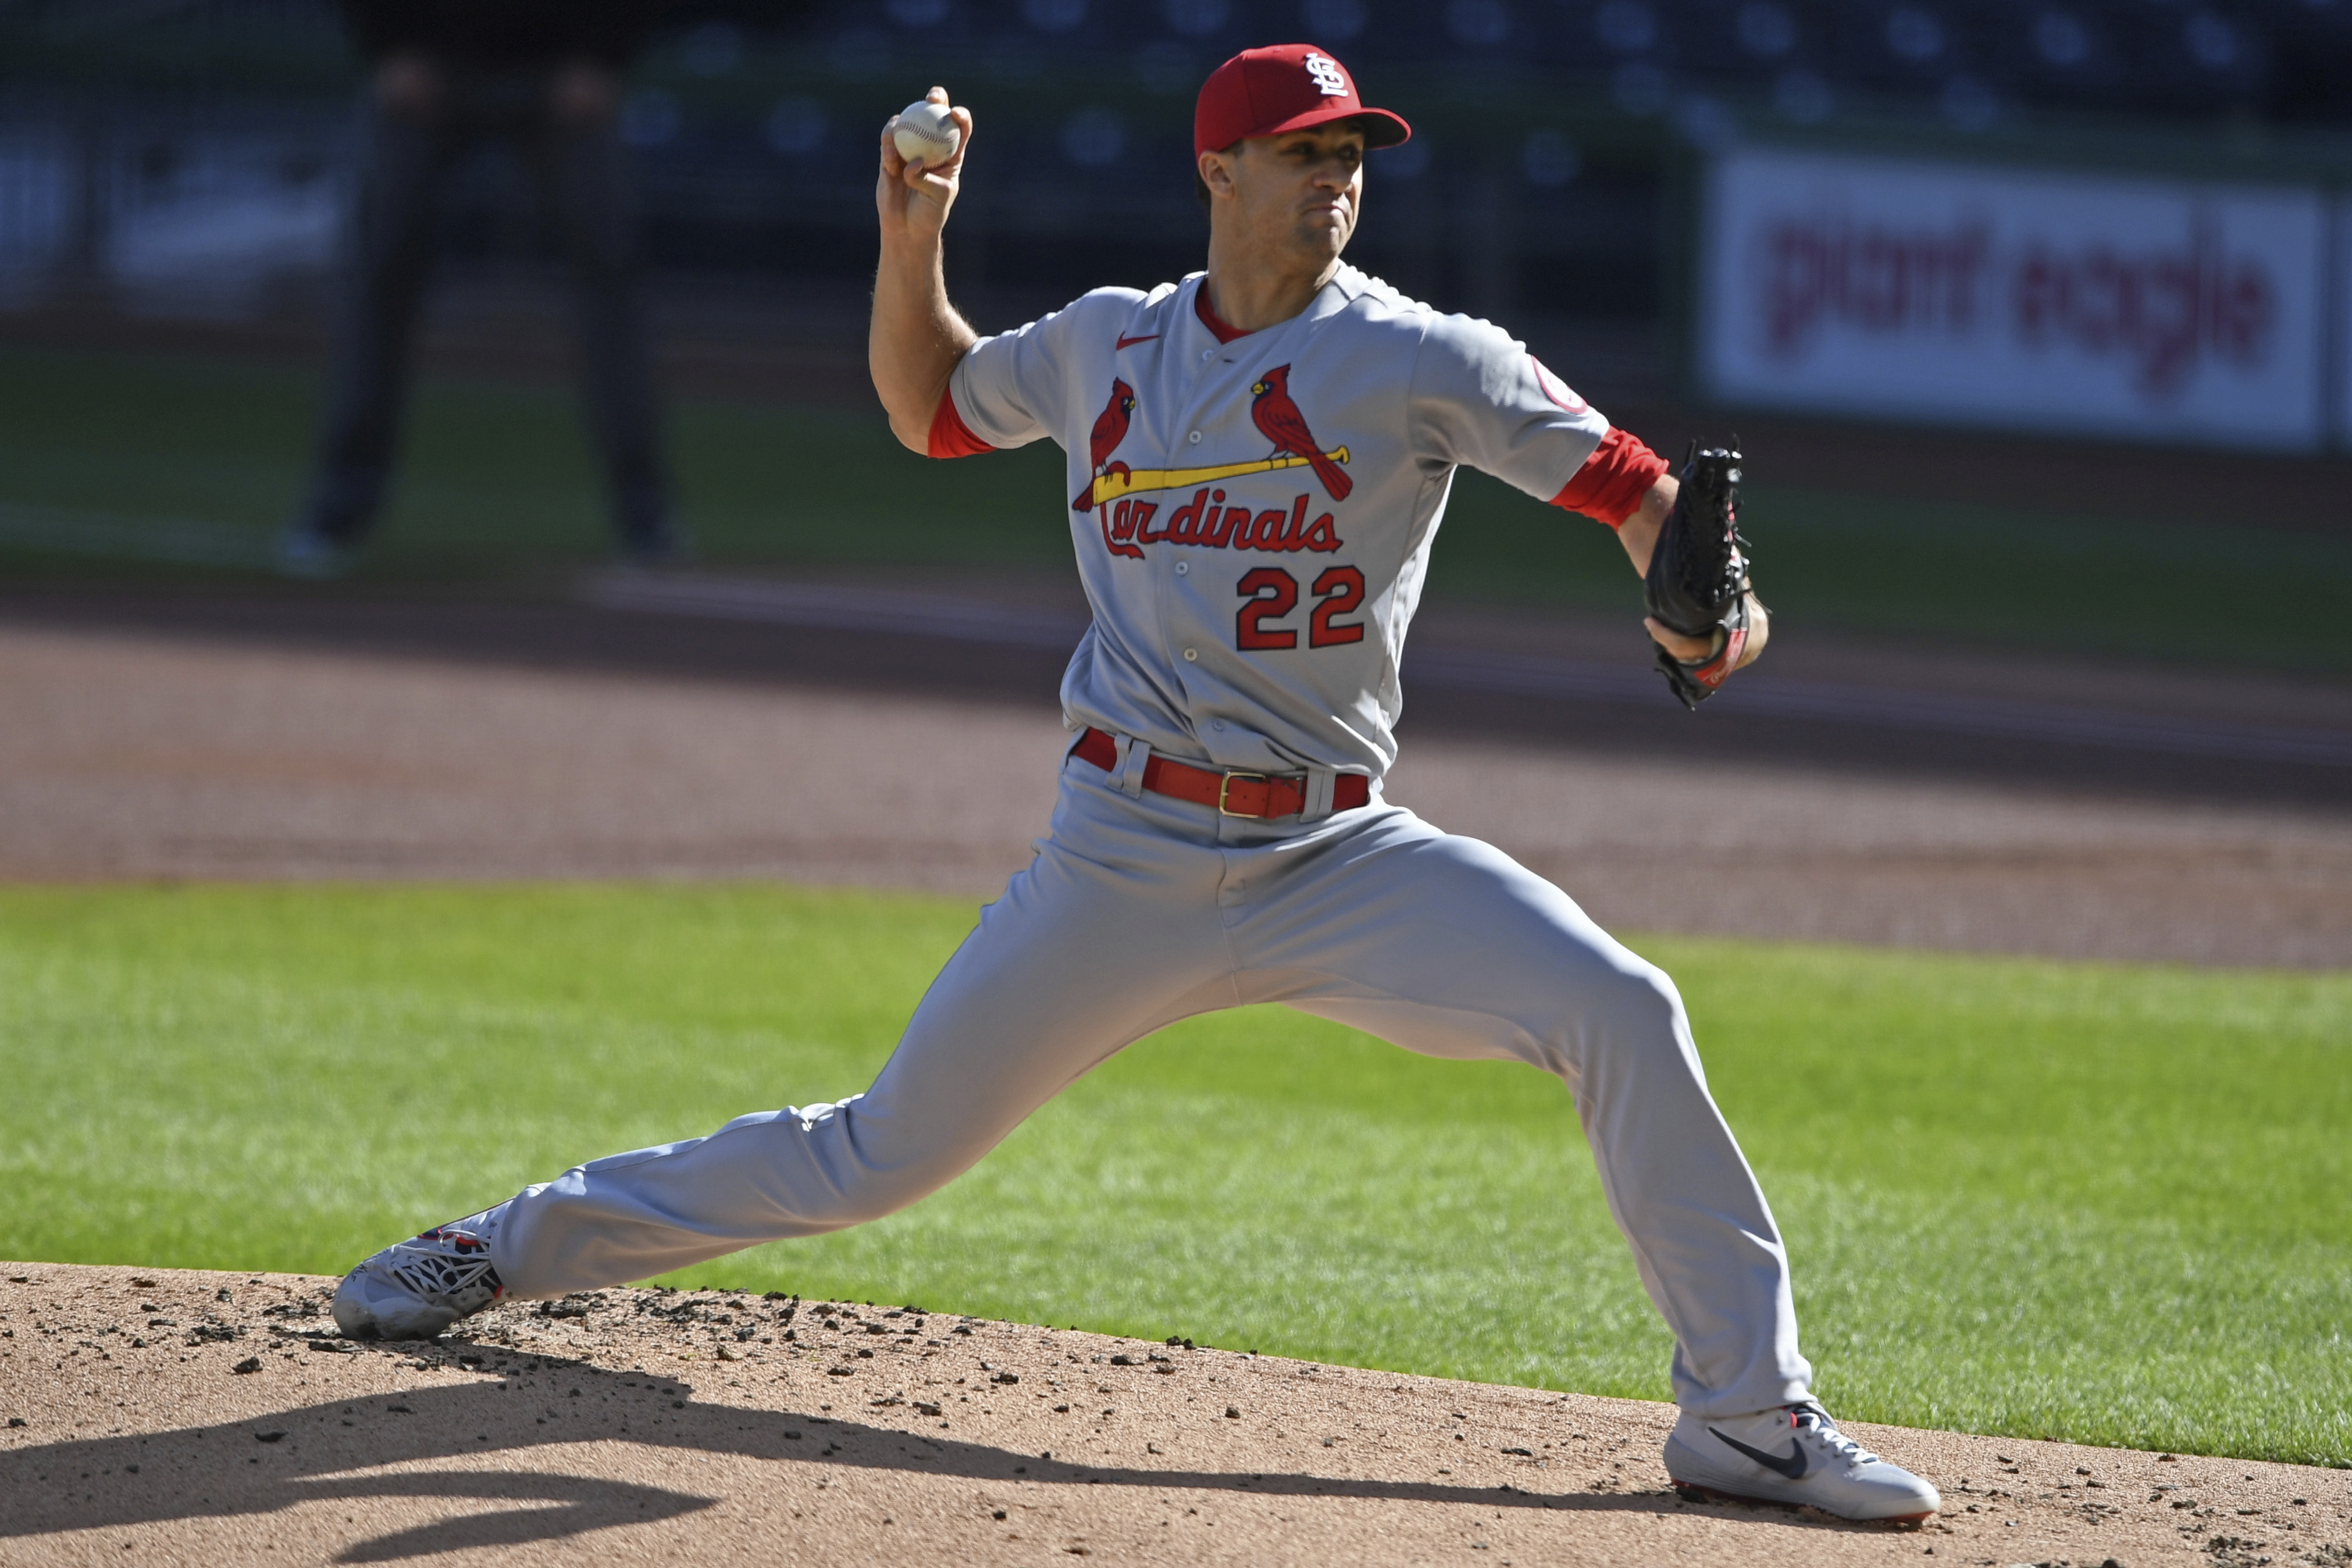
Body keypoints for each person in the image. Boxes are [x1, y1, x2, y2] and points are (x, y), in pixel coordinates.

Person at [329, 44, 1940, 1525]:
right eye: (1300, 151)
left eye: (1351, 152)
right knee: (870, 1155)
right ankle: (500, 1248)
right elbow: (929, 409)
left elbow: (1641, 495)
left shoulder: (1417, 357)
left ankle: (1743, 1416)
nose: (1335, 177)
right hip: (1120, 855)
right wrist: (913, 236)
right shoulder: (1109, 345)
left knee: (1624, 1007)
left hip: (1339, 857)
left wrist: (1706, 605)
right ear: (1216, 173)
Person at [279, 0, 682, 576]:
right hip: (426, 61)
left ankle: (647, 515)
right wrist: (388, 47)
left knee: (610, 272)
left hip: (562, 68)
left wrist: (603, 56)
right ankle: (339, 508)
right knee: (378, 269)